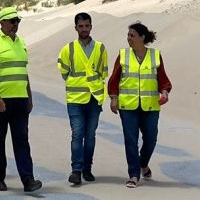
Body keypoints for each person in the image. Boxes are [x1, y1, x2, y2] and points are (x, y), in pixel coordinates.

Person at [0, 7, 43, 193]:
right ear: (2, 23)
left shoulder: (21, 42)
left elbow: (23, 72)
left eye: (17, 21)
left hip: (20, 100)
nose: (15, 24)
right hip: (1, 100)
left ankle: (28, 180)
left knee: (22, 140)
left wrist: (29, 96)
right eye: (12, 21)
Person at [108, 22, 172, 188]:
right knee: (131, 140)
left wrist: (165, 92)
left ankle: (143, 163)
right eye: (128, 35)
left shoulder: (155, 55)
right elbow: (114, 79)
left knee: (151, 138)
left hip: (150, 106)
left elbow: (163, 79)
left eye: (132, 35)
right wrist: (113, 98)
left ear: (142, 37)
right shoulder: (123, 55)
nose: (128, 38)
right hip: (127, 106)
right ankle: (134, 175)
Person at [58, 12, 108, 185]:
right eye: (81, 26)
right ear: (76, 28)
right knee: (77, 134)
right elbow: (64, 72)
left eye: (87, 26)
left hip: (94, 98)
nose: (84, 29)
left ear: (91, 26)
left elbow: (103, 72)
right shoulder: (68, 49)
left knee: (90, 135)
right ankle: (76, 170)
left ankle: (87, 168)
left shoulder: (100, 48)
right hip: (75, 98)